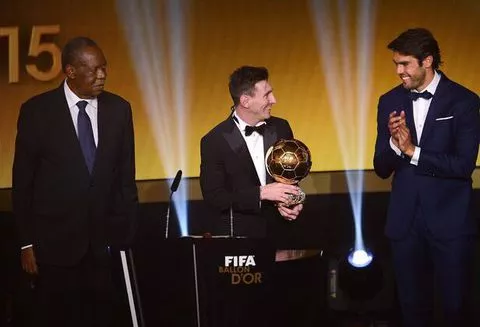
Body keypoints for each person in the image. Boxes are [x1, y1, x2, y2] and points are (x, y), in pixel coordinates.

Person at [12, 36, 138, 327]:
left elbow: (125, 177)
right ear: (70, 71)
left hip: (104, 247)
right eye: (94, 70)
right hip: (54, 248)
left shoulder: (120, 109)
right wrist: (25, 243)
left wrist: (127, 234)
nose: (102, 75)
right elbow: (23, 184)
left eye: (104, 68)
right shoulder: (37, 112)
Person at [200, 66, 325, 327]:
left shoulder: (280, 127)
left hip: (283, 239)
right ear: (245, 101)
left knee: (287, 312)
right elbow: (214, 196)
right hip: (242, 248)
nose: (274, 100)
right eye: (267, 94)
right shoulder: (214, 140)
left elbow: (293, 179)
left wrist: (292, 202)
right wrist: (261, 193)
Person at [373, 28, 479, 327]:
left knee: (455, 307)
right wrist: (395, 144)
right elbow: (381, 167)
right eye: (396, 64)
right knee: (411, 309)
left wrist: (412, 150)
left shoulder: (464, 101)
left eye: (405, 64)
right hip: (405, 224)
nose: (399, 71)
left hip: (450, 224)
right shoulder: (389, 101)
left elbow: (462, 165)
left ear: (427, 61)